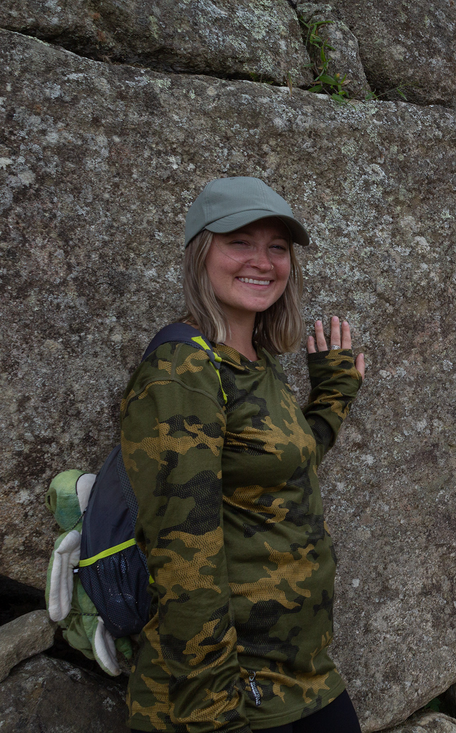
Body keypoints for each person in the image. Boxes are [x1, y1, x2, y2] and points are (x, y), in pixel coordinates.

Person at [122, 177, 366, 733]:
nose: (262, 261)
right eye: (239, 241)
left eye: (276, 247)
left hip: (302, 672)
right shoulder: (182, 370)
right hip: (234, 692)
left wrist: (330, 399)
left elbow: (278, 475)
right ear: (201, 253)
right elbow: (184, 554)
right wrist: (214, 712)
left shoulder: (254, 362)